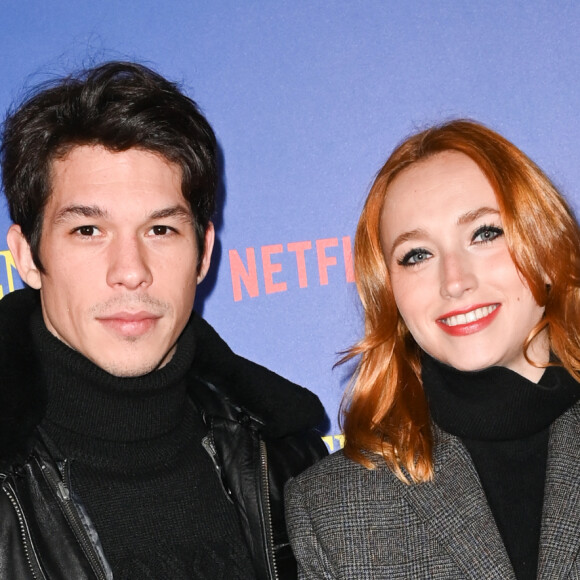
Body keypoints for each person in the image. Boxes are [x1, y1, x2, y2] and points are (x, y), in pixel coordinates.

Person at [0, 61, 327, 580]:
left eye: (160, 230)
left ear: (204, 253)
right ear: (26, 255)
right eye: (88, 230)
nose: (131, 273)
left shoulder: (289, 463)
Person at [285, 119, 580, 580]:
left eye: (485, 233)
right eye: (417, 255)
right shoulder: (335, 508)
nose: (455, 281)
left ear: (546, 246)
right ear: (391, 295)